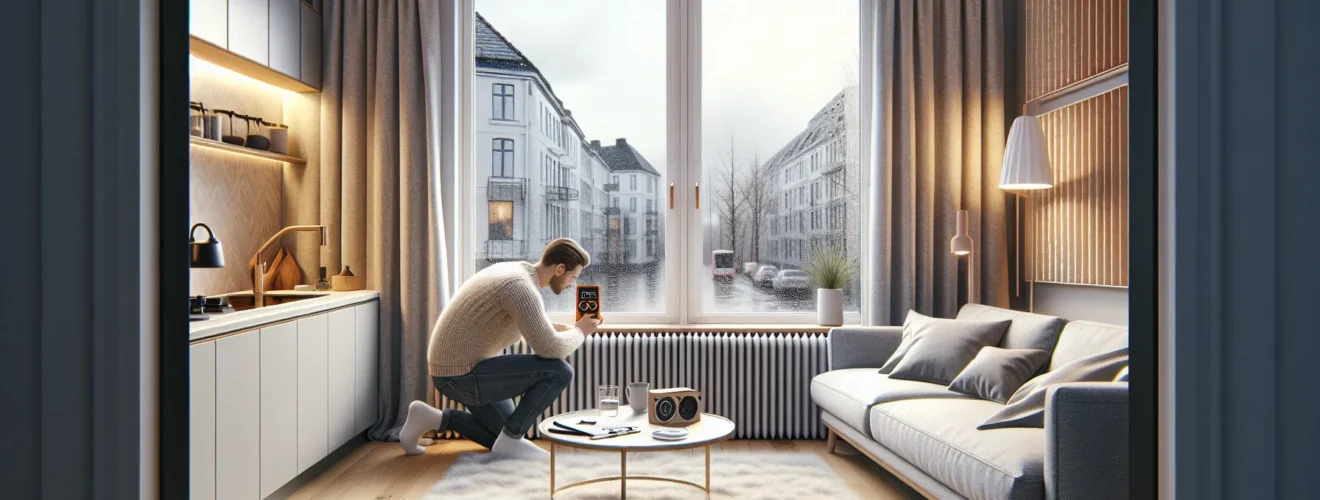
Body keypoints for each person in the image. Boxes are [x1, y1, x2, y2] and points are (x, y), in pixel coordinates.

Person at [399, 238, 599, 459]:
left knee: (499, 437)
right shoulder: (520, 287)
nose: (571, 283)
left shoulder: (517, 273)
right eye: (572, 276)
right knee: (560, 371)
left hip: (455, 369)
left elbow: (508, 319)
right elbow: (551, 349)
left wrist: (552, 327)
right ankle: (512, 440)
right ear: (560, 269)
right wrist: (580, 331)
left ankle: (429, 417)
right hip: (460, 374)